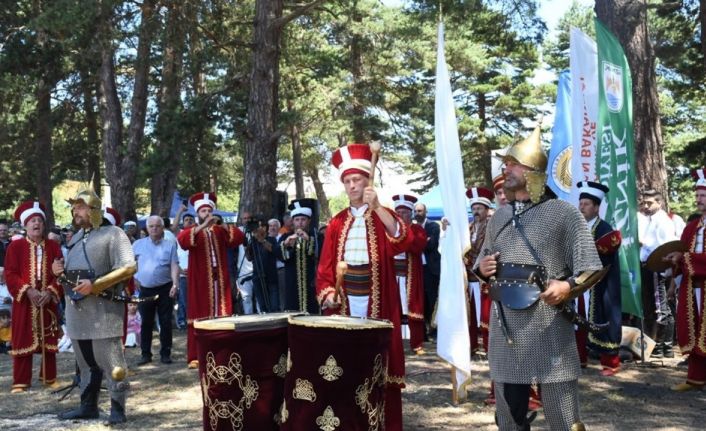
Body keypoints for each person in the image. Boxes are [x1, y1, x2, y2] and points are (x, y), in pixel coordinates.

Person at [476, 126, 603, 430]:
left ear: (533, 171)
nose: (506, 169)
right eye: (506, 163)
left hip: (547, 322)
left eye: (513, 163)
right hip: (506, 325)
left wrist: (567, 286)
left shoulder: (563, 214)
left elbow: (592, 266)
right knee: (509, 416)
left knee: (563, 416)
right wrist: (483, 268)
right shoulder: (501, 217)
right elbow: (482, 260)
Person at [316, 143, 409, 431]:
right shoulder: (336, 222)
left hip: (377, 301)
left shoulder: (382, 215)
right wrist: (329, 293)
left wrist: (378, 206)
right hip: (345, 302)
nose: (353, 185)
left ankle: (381, 422)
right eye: (348, 181)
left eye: (357, 180)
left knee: (378, 361)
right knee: (347, 362)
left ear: (367, 182)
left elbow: (401, 240)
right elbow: (325, 269)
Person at [52, 186, 136, 424]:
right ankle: (88, 406)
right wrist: (59, 272)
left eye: (79, 207)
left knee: (112, 362)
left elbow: (129, 267)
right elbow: (74, 275)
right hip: (77, 309)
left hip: (103, 309)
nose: (74, 211)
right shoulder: (77, 237)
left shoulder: (114, 234)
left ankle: (118, 409)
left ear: (93, 209)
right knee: (84, 362)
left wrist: (97, 285)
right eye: (74, 207)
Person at [176, 192, 244, 369]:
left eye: (208, 210)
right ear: (198, 213)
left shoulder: (219, 230)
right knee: (200, 312)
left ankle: (223, 352)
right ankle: (196, 355)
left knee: (221, 312)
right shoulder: (193, 231)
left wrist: (222, 224)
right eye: (203, 211)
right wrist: (202, 226)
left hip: (219, 279)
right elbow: (182, 241)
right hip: (201, 279)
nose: (206, 213)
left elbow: (238, 237)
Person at [4, 201, 63, 393]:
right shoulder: (15, 247)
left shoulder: (53, 246)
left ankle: (49, 377)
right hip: (25, 302)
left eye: (39, 220)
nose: (36, 224)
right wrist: (28, 291)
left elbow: (61, 274)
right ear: (25, 225)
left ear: (44, 224)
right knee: (22, 337)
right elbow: (11, 274)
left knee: (49, 335)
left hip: (46, 300)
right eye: (32, 221)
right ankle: (21, 381)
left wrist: (50, 292)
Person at [576, 181, 623, 376]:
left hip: (601, 283)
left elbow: (607, 250)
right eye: (581, 203)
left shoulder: (604, 228)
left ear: (596, 207)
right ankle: (580, 359)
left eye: (586, 204)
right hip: (578, 283)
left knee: (606, 318)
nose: (582, 207)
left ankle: (611, 363)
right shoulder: (576, 227)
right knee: (577, 319)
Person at [665, 168, 706, 391]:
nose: (698, 199)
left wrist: (685, 258)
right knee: (695, 330)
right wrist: (675, 261)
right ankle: (695, 378)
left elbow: (688, 256)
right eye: (697, 195)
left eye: (703, 195)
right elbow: (683, 256)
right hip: (693, 288)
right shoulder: (691, 227)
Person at [132, 216, 179, 365]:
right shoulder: (137, 244)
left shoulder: (170, 245)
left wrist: (175, 284)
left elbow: (174, 265)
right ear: (146, 228)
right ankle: (145, 354)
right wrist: (133, 279)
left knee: (165, 321)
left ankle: (166, 353)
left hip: (165, 288)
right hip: (145, 289)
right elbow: (130, 265)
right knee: (146, 322)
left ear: (162, 227)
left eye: (157, 226)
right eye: (151, 226)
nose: (154, 229)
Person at [639, 189, 678, 358]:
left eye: (650, 203)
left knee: (661, 308)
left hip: (657, 267)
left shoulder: (663, 221)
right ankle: (658, 346)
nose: (646, 206)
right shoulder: (648, 219)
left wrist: (644, 243)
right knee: (652, 308)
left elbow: (667, 247)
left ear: (659, 203)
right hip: (647, 267)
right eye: (644, 203)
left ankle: (664, 347)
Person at [392, 194, 427, 354]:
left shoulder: (417, 229)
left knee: (414, 308)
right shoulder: (389, 229)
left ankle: (417, 343)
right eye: (397, 211)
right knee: (393, 309)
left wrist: (405, 234)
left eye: (404, 212)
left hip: (410, 275)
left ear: (411, 213)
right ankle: (393, 343)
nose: (400, 215)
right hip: (393, 275)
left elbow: (417, 247)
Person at [465, 186, 494, 356]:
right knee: (471, 313)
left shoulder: (492, 226)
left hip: (486, 278)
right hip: (469, 277)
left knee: (486, 313)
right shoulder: (468, 228)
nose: (476, 212)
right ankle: (472, 346)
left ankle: (489, 348)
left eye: (479, 208)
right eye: (474, 208)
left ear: (486, 209)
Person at [277, 199, 319, 313]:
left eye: (303, 219)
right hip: (291, 282)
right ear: (293, 221)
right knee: (292, 311)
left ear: (309, 221)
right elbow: (281, 257)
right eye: (297, 220)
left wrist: (309, 240)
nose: (300, 223)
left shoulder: (316, 236)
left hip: (311, 282)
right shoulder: (286, 236)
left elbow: (319, 255)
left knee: (312, 311)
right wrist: (286, 245)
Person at [413, 203, 440, 342]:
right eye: (416, 211)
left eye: (420, 211)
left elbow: (431, 245)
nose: (417, 213)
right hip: (417, 269)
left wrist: (419, 242)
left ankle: (435, 330)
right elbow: (412, 246)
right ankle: (423, 332)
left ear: (426, 212)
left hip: (431, 269)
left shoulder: (433, 226)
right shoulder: (413, 227)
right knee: (420, 300)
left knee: (432, 299)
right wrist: (423, 241)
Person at [245, 218, 280, 312]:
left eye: (260, 226)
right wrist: (248, 241)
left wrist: (262, 240)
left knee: (274, 306)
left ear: (265, 228)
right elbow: (249, 257)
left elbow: (274, 250)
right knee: (262, 307)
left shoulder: (271, 239)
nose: (257, 229)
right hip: (257, 276)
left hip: (270, 276)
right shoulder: (253, 241)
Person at [176, 213, 194, 329]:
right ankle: (183, 321)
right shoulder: (179, 234)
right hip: (183, 274)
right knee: (183, 299)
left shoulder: (198, 233)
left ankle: (193, 320)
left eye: (191, 220)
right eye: (186, 220)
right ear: (183, 222)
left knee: (194, 298)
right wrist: (180, 270)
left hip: (195, 273)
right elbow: (174, 226)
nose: (188, 221)